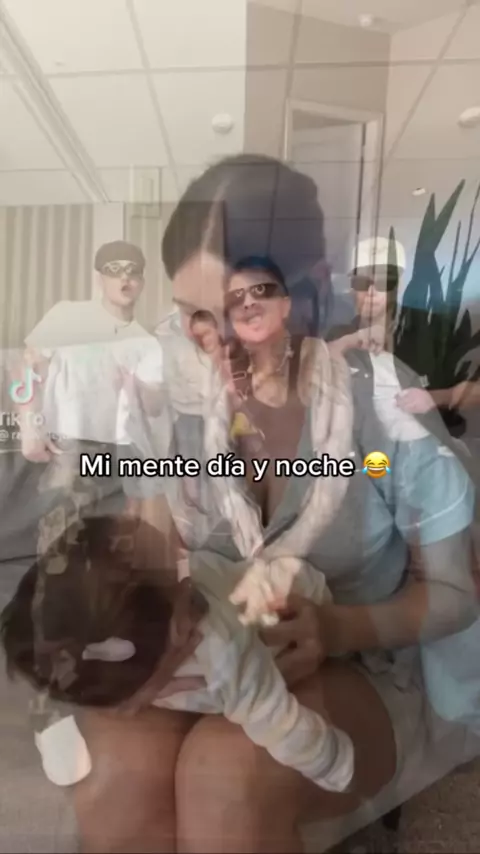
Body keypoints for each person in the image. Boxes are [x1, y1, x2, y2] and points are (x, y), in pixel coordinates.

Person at [26, 155, 480, 854]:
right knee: (112, 769)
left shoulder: (383, 404)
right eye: (194, 315)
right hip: (203, 643)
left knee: (224, 776)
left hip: (363, 659)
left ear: (311, 288)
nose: (216, 344)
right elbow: (153, 555)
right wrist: (132, 643)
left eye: (246, 306)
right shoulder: (165, 398)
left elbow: (452, 594)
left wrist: (335, 629)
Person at [2, 514, 354, 793]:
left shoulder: (217, 647)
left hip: (296, 621)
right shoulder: (207, 652)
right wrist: (332, 763)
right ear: (181, 626)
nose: (140, 518)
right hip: (234, 659)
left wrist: (333, 764)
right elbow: (280, 724)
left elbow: (273, 716)